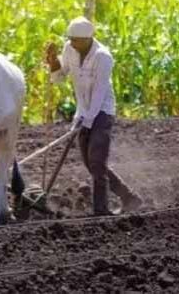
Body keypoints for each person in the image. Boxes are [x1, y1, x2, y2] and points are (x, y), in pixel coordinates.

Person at [45, 16, 143, 216]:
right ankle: (128, 196)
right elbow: (59, 78)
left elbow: (99, 92)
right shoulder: (69, 49)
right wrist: (54, 62)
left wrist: (88, 122)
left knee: (97, 162)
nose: (72, 43)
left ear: (89, 39)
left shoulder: (102, 56)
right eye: (70, 39)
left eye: (76, 40)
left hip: (102, 113)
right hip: (83, 112)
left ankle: (101, 209)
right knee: (91, 164)